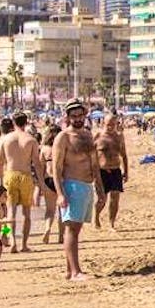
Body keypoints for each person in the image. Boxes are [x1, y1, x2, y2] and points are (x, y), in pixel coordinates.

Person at [52, 100, 105, 282]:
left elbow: (95, 165)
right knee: (71, 229)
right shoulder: (63, 137)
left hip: (86, 186)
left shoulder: (88, 135)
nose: (77, 119)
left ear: (85, 115)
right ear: (67, 117)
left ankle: (70, 271)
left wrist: (100, 190)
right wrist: (60, 194)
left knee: (77, 229)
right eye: (73, 116)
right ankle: (76, 272)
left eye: (80, 115)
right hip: (71, 185)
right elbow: (56, 168)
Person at [0, 112, 45, 253]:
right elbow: (37, 163)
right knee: (26, 213)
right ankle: (23, 244)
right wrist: (41, 182)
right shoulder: (31, 140)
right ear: (26, 122)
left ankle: (12, 241)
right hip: (26, 176)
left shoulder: (5, 139)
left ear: (13, 122)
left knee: (10, 212)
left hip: (10, 175)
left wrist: (1, 181)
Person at [94, 114, 129, 230]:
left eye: (113, 124)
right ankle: (96, 215)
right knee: (102, 199)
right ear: (103, 123)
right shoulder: (98, 136)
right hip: (101, 171)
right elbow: (90, 155)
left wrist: (126, 171)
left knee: (115, 198)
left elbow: (124, 155)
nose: (110, 127)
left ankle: (111, 223)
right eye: (108, 124)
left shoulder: (119, 137)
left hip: (115, 170)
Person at [40, 124, 63, 244]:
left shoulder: (44, 149)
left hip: (48, 180)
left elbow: (40, 168)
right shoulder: (63, 148)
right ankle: (61, 236)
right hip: (61, 180)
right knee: (62, 210)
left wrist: (40, 185)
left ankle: (47, 228)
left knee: (50, 210)